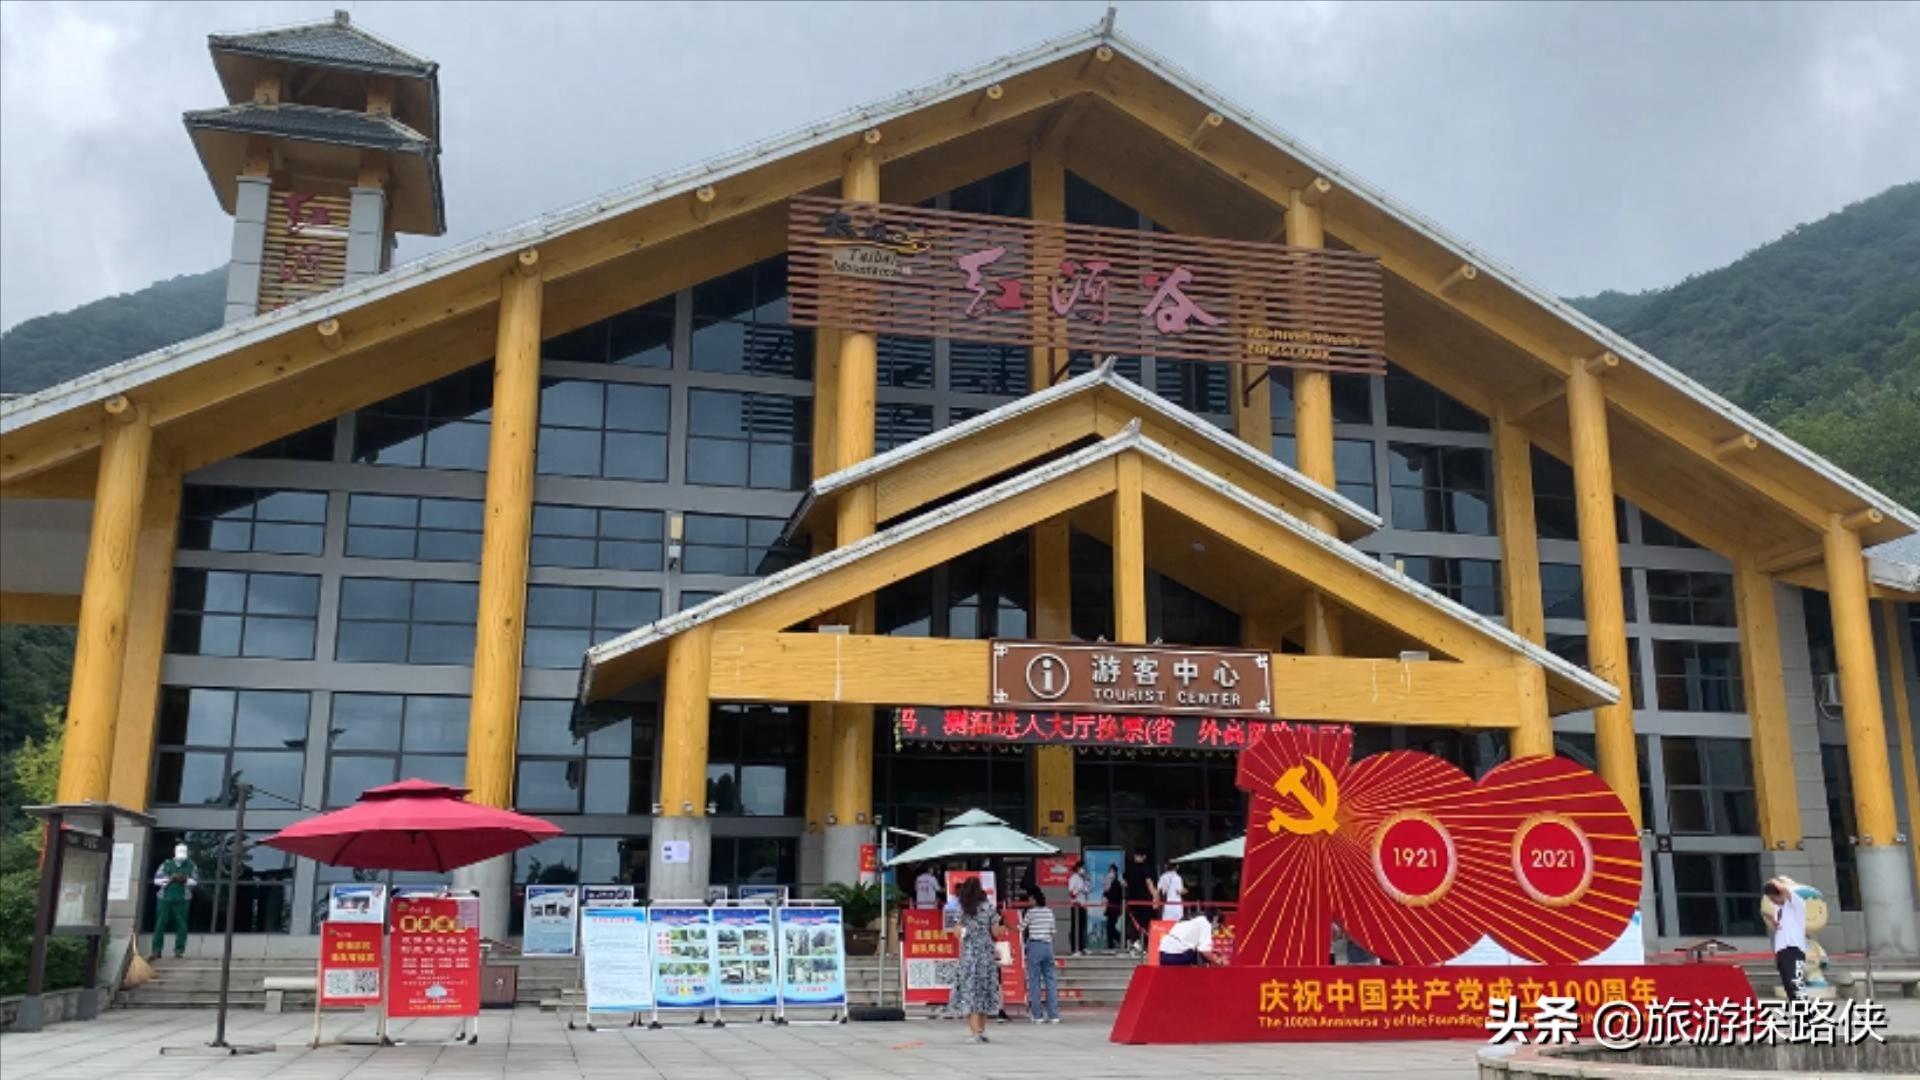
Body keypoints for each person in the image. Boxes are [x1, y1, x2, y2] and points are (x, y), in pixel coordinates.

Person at [949, 876, 1003, 1043]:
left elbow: (957, 932)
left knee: (970, 991)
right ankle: (981, 1030)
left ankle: (974, 1033)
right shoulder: (989, 907)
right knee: (985, 990)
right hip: (986, 954)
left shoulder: (962, 908)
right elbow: (996, 931)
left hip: (969, 954)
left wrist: (967, 931)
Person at [1021, 883, 1061, 1023]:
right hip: (1048, 946)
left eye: (1029, 898)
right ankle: (1054, 1015)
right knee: (1050, 980)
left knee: (1034, 981)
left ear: (1033, 898)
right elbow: (1053, 932)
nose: (1028, 901)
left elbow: (1021, 927)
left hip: (1035, 946)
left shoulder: (1031, 913)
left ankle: (1037, 1015)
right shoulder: (1049, 912)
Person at [151, 843, 198, 959]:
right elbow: (156, 880)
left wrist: (185, 879)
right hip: (164, 898)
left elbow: (195, 881)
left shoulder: (191, 865)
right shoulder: (166, 864)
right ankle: (156, 950)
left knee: (181, 925)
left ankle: (179, 950)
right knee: (160, 924)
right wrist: (170, 879)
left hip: (182, 899)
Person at [1764, 877, 1807, 1001]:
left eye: (1774, 898)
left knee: (1796, 984)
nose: (1773, 902)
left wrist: (1773, 882)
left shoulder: (1796, 903)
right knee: (1788, 986)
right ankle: (1798, 1011)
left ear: (1781, 894)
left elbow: (1784, 889)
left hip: (1794, 949)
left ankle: (1804, 1012)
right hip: (1781, 950)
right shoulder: (1778, 910)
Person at [1123, 848, 1155, 953]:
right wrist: (1155, 896)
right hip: (1144, 900)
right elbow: (1149, 883)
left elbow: (1124, 883)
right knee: (1144, 923)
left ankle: (1134, 942)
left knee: (1134, 922)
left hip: (1132, 900)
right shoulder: (1146, 868)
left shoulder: (1129, 868)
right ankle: (1141, 944)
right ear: (1144, 857)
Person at [1065, 860, 1091, 955]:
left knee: (1082, 927)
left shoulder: (1082, 879)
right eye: (1082, 868)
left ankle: (1082, 947)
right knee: (1076, 927)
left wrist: (1086, 889)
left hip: (1083, 906)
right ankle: (1075, 949)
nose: (1084, 870)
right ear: (1078, 868)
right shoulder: (1073, 878)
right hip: (1076, 906)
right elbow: (1071, 893)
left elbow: (1087, 890)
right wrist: (1079, 890)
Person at [1102, 865, 1125, 950]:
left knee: (1110, 927)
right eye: (1110, 871)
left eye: (1112, 872)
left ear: (1115, 873)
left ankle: (1120, 941)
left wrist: (1106, 894)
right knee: (1110, 927)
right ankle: (1113, 944)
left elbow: (1114, 896)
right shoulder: (1111, 883)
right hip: (1111, 909)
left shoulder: (1116, 883)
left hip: (1114, 909)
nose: (1111, 874)